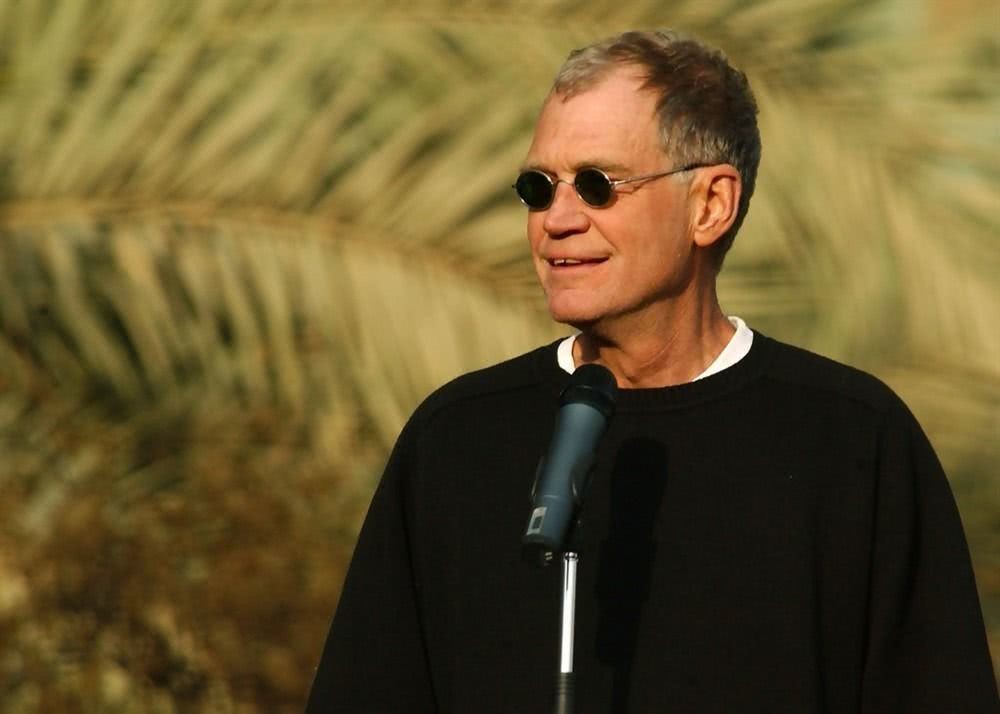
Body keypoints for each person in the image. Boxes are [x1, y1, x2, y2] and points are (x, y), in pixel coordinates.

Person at [306, 30, 998, 713]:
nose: (557, 219)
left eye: (598, 185)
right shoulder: (457, 439)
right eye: (537, 187)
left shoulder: (852, 441)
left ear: (710, 205)